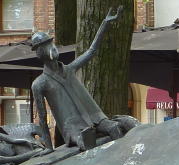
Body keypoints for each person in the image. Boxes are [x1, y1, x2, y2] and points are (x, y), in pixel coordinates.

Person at [31, 7, 136, 152]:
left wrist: (104, 25)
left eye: (51, 44)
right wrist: (49, 148)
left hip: (93, 116)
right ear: (40, 52)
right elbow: (42, 118)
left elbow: (91, 51)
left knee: (115, 128)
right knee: (85, 141)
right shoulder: (39, 83)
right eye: (47, 46)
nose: (52, 48)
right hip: (73, 128)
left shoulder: (69, 69)